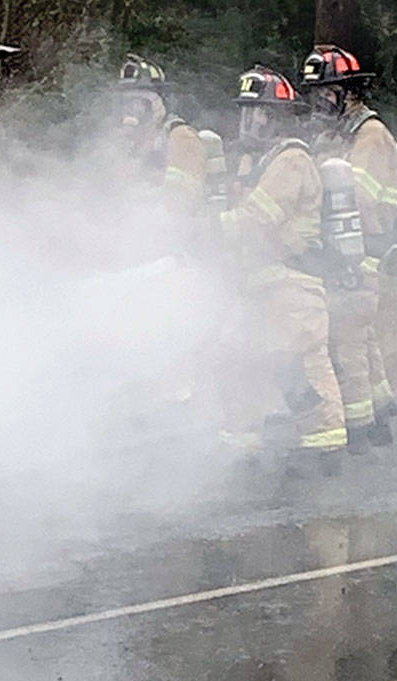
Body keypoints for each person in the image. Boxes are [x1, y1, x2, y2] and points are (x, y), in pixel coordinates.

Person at [218, 66, 347, 470]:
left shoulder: (291, 160)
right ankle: (241, 445)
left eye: (260, 113)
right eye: (246, 113)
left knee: (303, 364)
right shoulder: (256, 160)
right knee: (240, 358)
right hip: (258, 282)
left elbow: (257, 217)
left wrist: (205, 230)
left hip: (292, 283)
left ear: (277, 116)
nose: (251, 122)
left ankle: (326, 449)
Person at [300, 44, 397, 448]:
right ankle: (380, 418)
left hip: (365, 248)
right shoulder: (336, 134)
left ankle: (359, 429)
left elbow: (358, 197)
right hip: (346, 247)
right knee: (362, 337)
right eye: (315, 94)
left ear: (349, 92)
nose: (318, 102)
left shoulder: (371, 136)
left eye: (325, 92)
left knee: (347, 341)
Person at [115, 55, 209, 243]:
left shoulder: (180, 137)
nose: (131, 113)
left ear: (157, 103)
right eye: (126, 104)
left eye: (138, 104)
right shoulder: (133, 147)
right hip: (135, 242)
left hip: (176, 249)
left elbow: (181, 203)